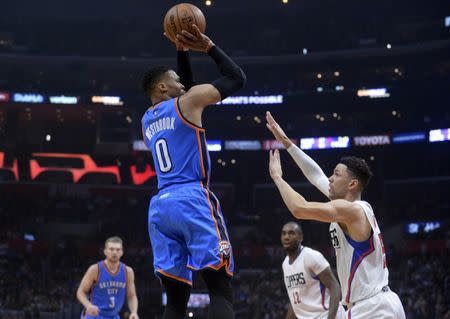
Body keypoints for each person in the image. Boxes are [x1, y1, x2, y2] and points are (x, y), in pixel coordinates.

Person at [141, 24, 246, 319]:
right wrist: (208, 46)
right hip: (192, 198)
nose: (183, 84)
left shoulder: (147, 119)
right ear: (162, 87)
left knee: (175, 299)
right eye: (175, 80)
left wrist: (181, 51)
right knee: (219, 285)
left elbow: (183, 90)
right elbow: (237, 77)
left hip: (160, 207)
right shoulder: (188, 102)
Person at [266, 112, 406, 319]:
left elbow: (299, 208)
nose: (330, 178)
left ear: (352, 184)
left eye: (336, 174)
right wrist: (286, 142)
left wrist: (277, 178)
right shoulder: (349, 207)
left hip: (374, 308)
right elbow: (316, 176)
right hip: (368, 306)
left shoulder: (352, 210)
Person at [281, 222, 343, 319]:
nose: (286, 237)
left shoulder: (311, 256)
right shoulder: (285, 264)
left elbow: (335, 286)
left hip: (327, 315)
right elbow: (295, 302)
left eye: (291, 233)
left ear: (300, 237)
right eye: (284, 233)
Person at [76, 236, 139, 319]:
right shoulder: (95, 269)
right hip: (94, 315)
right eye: (111, 249)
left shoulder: (128, 272)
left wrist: (134, 312)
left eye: (118, 249)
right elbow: (80, 292)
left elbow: (131, 296)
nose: (114, 252)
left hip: (114, 316)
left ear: (122, 252)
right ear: (105, 251)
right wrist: (88, 305)